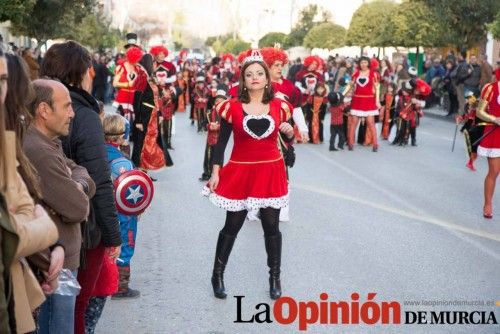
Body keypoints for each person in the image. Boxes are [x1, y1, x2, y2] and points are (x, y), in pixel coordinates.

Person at [40, 40, 122, 334]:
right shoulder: (83, 114)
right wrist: (114, 235)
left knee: (52, 307)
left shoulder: (37, 106)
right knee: (73, 306)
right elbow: (99, 179)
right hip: (81, 229)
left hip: (43, 224)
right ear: (84, 72)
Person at [202, 50, 294, 300]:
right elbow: (220, 143)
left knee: (271, 227)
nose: (255, 77)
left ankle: (275, 278)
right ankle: (217, 275)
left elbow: (288, 139)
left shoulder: (279, 106)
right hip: (241, 171)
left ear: (267, 78)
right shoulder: (231, 107)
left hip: (271, 172)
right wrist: (215, 172)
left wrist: (288, 133)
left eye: (259, 73)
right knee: (232, 226)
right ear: (243, 79)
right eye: (249, 74)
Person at [23, 79, 96, 334]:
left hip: (61, 260)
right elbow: (77, 208)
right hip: (54, 267)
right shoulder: (37, 149)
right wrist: (79, 188)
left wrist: (79, 184)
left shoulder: (46, 142)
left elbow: (82, 172)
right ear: (44, 110)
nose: (72, 113)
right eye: (66, 107)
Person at [0, 48, 60, 334]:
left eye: (2, 81)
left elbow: (25, 204)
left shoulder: (10, 138)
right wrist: (47, 232)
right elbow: (9, 236)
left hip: (15, 289)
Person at [131, 53, 171, 170]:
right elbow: (136, 100)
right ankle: (137, 168)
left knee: (150, 142)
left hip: (152, 115)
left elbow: (156, 99)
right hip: (144, 116)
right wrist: (138, 120)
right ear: (149, 63)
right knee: (141, 142)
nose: (155, 64)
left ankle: (145, 169)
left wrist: (159, 114)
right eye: (154, 62)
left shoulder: (150, 78)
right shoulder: (142, 78)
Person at [475, 71, 500, 218]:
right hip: (495, 133)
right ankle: (488, 204)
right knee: (494, 171)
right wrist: (494, 118)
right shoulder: (490, 88)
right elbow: (479, 112)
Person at [345, 56, 381, 152]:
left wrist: (377, 101)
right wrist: (343, 96)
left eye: (365, 62)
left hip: (369, 101)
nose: (363, 64)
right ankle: (350, 143)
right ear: (359, 64)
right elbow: (350, 86)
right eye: (361, 63)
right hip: (357, 101)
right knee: (353, 123)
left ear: (368, 63)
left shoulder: (374, 74)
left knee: (371, 123)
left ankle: (375, 144)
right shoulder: (355, 74)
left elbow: (377, 88)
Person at [200, 89, 226, 181]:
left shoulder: (226, 113)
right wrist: (209, 126)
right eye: (217, 100)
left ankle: (219, 173)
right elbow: (203, 124)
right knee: (208, 156)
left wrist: (218, 127)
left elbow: (229, 126)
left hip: (220, 138)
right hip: (210, 138)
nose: (218, 102)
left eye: (221, 100)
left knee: (219, 157)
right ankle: (207, 173)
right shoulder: (209, 112)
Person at [456, 91, 482, 171]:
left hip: (478, 128)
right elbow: (469, 118)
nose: (467, 100)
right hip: (475, 129)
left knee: (476, 148)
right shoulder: (472, 107)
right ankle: (470, 163)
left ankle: (470, 163)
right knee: (475, 148)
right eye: (467, 98)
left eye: (468, 98)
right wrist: (461, 120)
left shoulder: (474, 106)